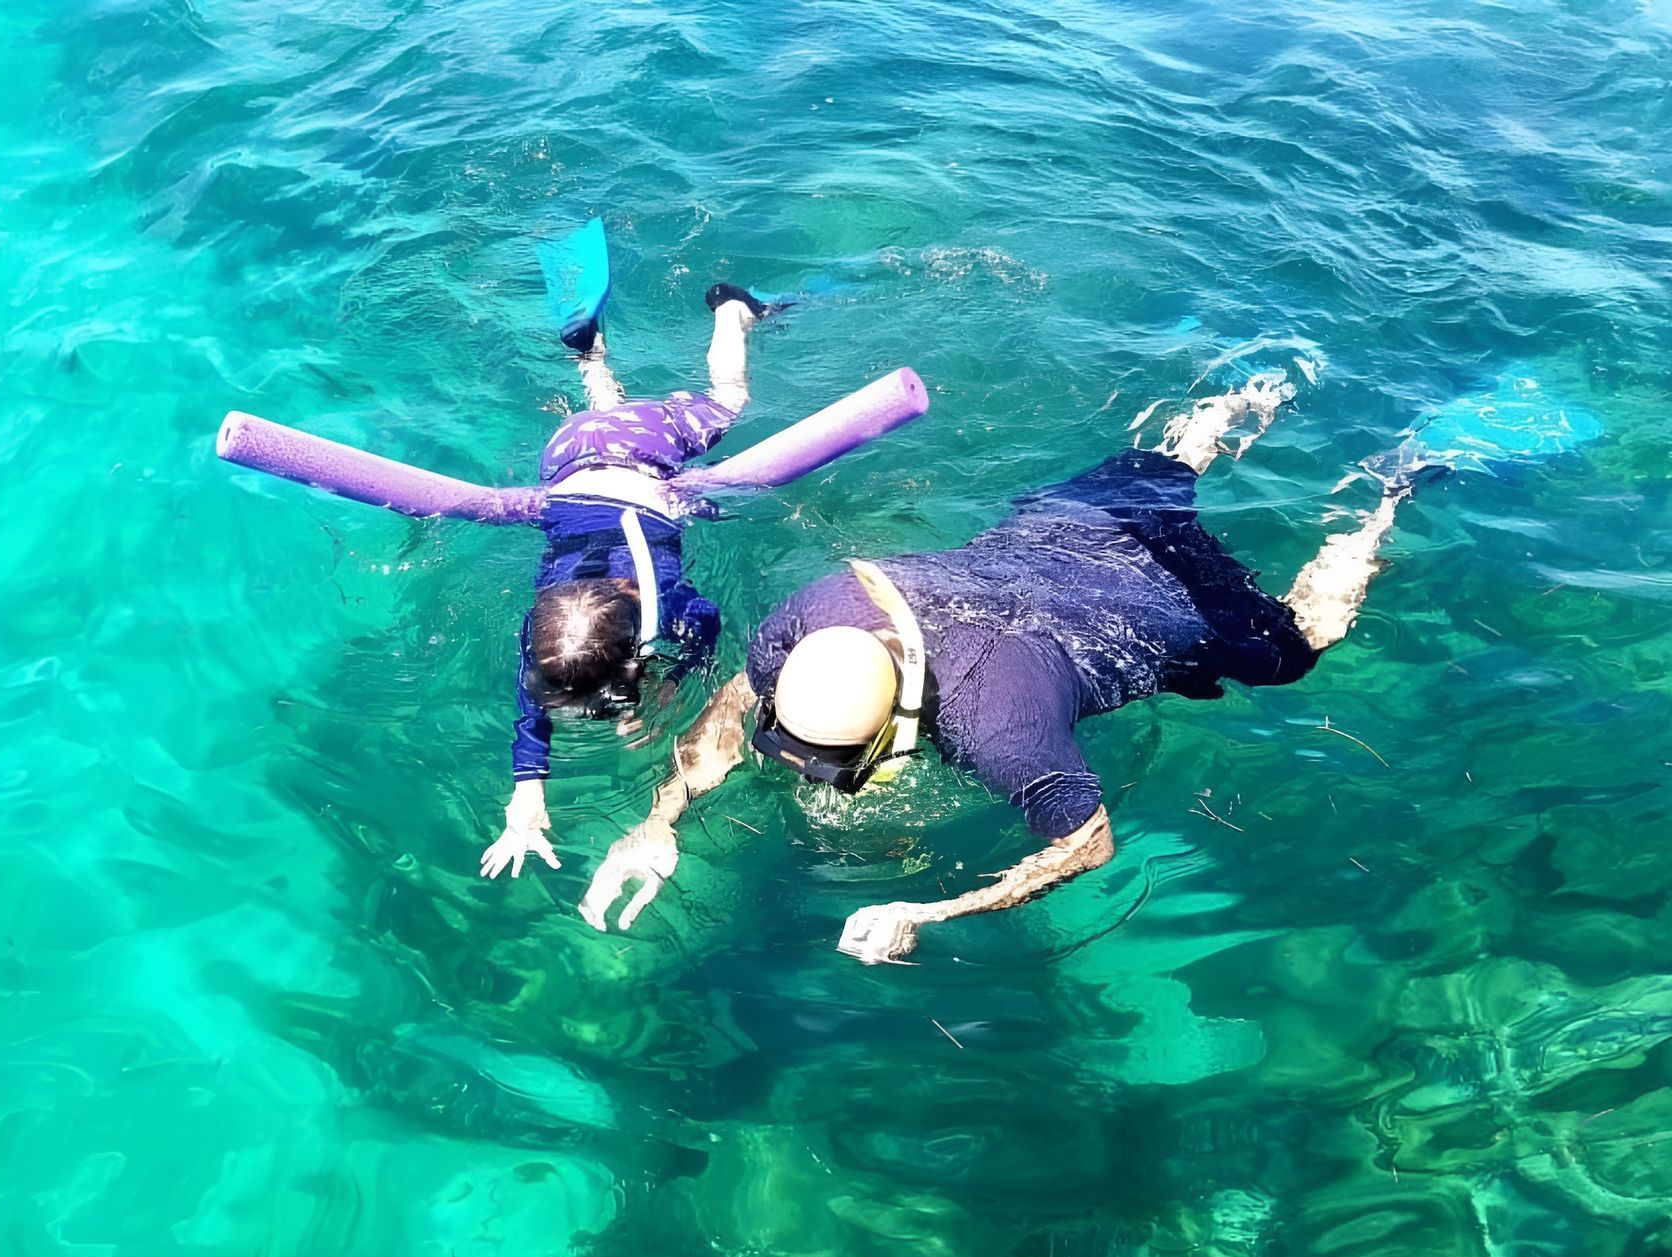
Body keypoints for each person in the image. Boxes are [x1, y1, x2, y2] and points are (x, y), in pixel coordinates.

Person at [575, 371, 1419, 962]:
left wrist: (930, 909)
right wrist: (659, 823)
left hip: (1174, 608)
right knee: (1167, 465)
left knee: (1299, 644)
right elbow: (734, 706)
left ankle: (1388, 500)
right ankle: (1242, 401)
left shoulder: (1000, 729)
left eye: (843, 767)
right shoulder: (811, 618)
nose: (824, 784)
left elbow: (1087, 845)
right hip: (1070, 526)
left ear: (897, 723)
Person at [477, 280, 792, 880]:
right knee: (701, 406)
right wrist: (527, 796)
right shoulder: (553, 627)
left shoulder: (661, 606)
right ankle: (591, 359)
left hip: (631, 446)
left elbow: (707, 624)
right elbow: (536, 700)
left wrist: (674, 680)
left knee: (729, 400)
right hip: (568, 457)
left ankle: (733, 308)